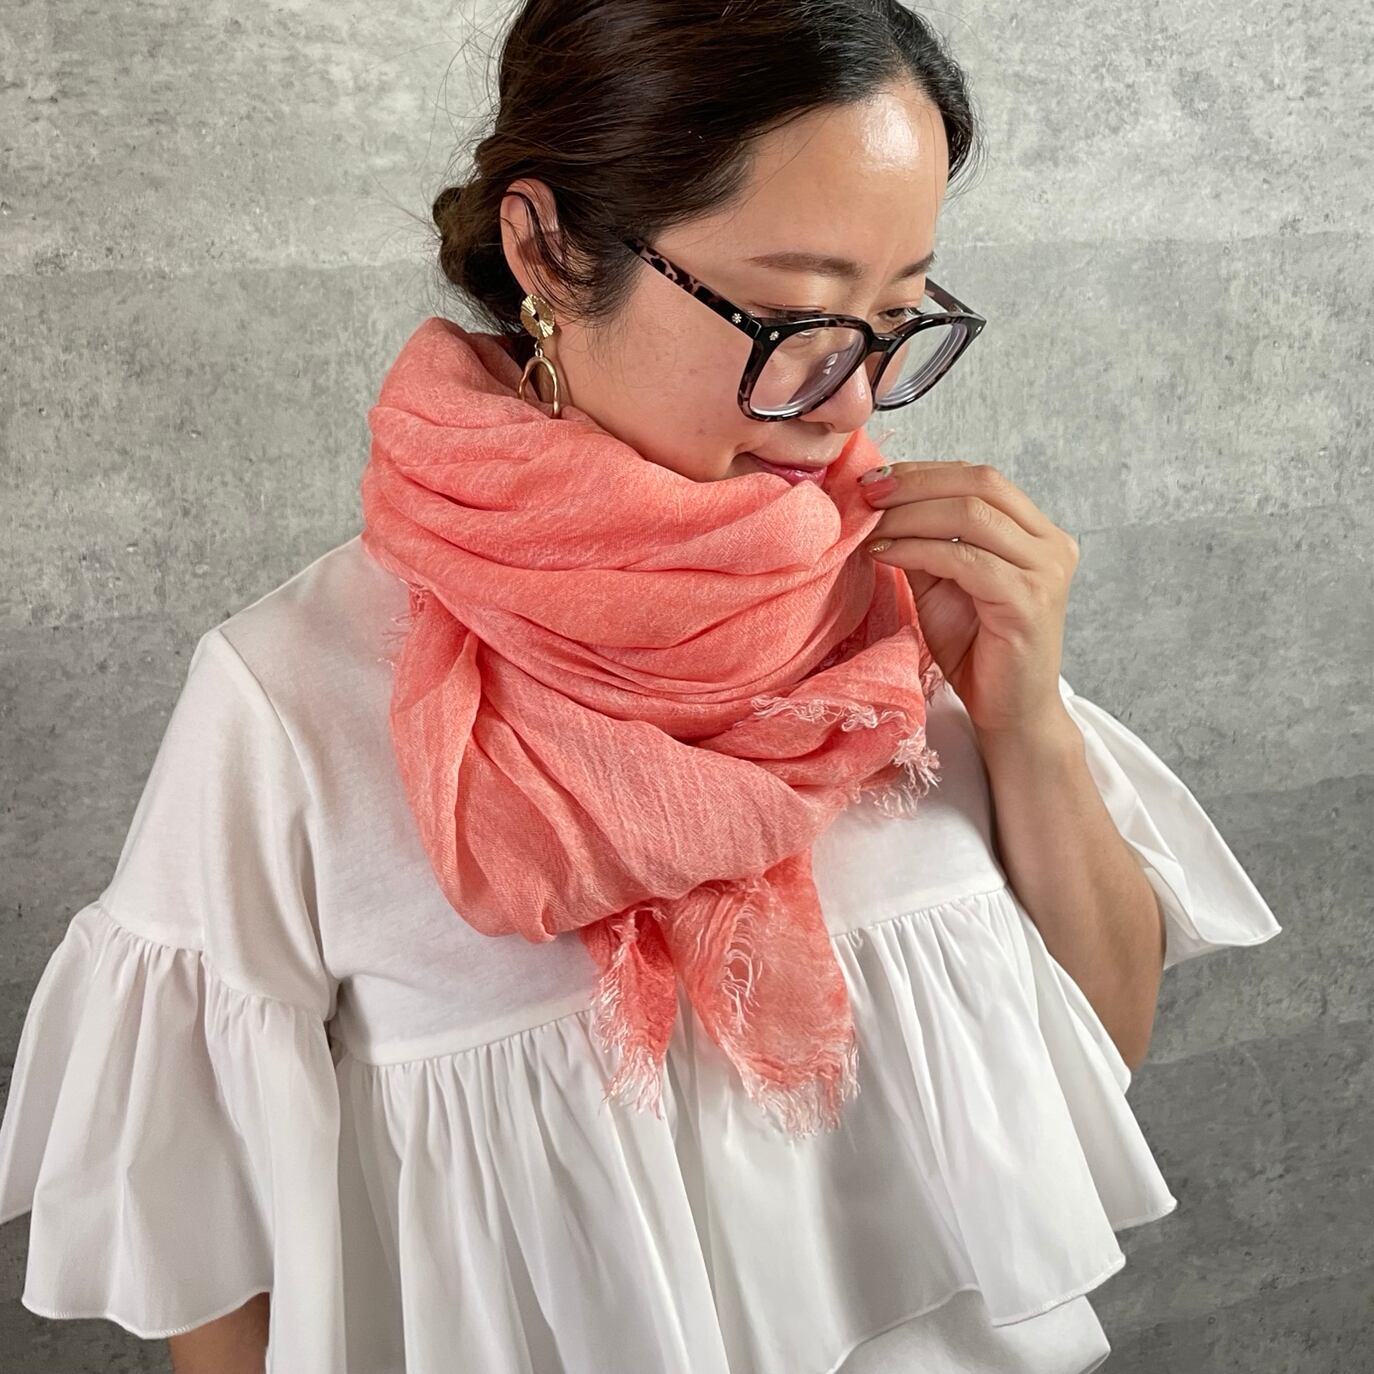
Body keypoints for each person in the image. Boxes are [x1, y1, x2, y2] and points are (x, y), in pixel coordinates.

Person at [0, 3, 1283, 1372]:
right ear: (546, 249)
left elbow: (1098, 1055)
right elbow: (215, 1266)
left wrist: (1025, 719)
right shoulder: (291, 700)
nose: (848, 403)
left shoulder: (911, 599)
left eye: (894, 319)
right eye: (787, 318)